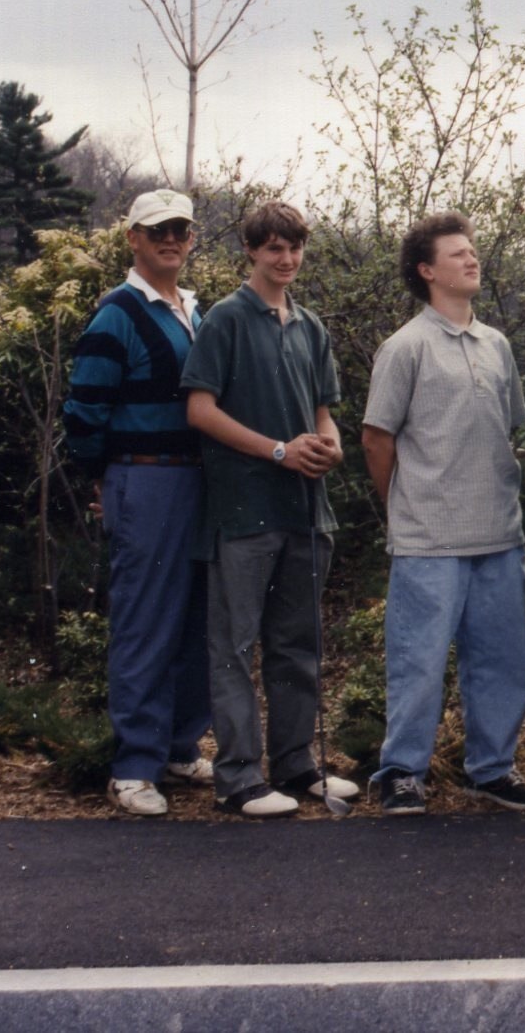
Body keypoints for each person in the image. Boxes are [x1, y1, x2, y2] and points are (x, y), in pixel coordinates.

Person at [360, 213, 525, 817]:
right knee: (418, 661)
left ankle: (491, 769)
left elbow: (507, 428)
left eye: (474, 251)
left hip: (498, 534)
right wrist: (403, 512)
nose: (472, 260)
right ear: (427, 270)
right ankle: (402, 773)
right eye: (457, 254)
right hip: (427, 540)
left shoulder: (495, 345)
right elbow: (376, 439)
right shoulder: (404, 346)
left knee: (502, 660)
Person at [182, 201, 359, 817]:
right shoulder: (226, 320)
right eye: (273, 248)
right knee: (233, 647)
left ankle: (296, 767)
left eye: (295, 248)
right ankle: (238, 779)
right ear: (252, 251)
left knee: (297, 645)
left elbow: (323, 412)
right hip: (242, 513)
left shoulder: (310, 326)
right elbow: (200, 412)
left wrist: (328, 444)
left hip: (306, 513)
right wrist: (279, 451)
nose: (286, 259)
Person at [62, 189, 214, 816]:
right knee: (145, 621)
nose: (169, 240)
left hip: (198, 481)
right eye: (156, 231)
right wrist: (105, 479)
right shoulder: (117, 314)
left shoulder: (194, 311)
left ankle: (178, 746)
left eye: (179, 229)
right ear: (132, 239)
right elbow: (83, 411)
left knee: (194, 622)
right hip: (145, 480)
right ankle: (133, 767)